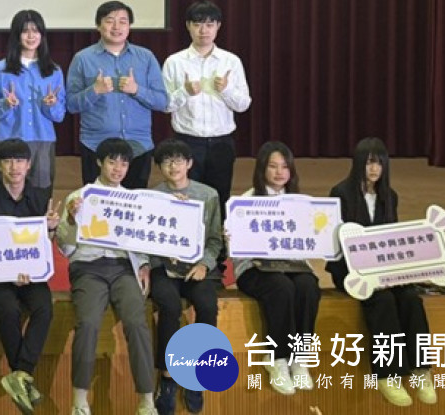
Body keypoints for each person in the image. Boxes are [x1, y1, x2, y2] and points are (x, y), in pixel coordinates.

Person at [327, 137, 438, 407]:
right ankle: (388, 375)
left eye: (379, 163)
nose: (374, 169)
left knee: (411, 298)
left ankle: (421, 370)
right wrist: (369, 272)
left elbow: (392, 238)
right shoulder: (340, 193)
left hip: (383, 269)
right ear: (358, 164)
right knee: (383, 300)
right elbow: (337, 243)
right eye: (368, 163)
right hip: (351, 271)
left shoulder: (390, 196)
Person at [56, 138, 156, 415]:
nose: (118, 168)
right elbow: (65, 248)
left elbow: (142, 239)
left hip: (123, 268)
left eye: (124, 163)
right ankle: (79, 400)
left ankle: (147, 401)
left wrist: (143, 265)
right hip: (88, 268)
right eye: (112, 162)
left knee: (137, 323)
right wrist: (72, 220)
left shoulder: (134, 200)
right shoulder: (79, 197)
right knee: (88, 323)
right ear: (100, 162)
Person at [0, 138, 60, 415]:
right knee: (9, 309)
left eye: (20, 161)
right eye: (8, 161)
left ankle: (20, 374)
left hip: (31, 275)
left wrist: (50, 229)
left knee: (44, 307)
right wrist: (8, 273)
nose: (14, 167)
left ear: (29, 165)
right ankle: (22, 375)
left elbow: (44, 246)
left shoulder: (40, 199)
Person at [231, 142, 320, 397]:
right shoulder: (246, 202)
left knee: (308, 286)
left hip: (292, 265)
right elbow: (237, 249)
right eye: (273, 166)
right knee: (281, 288)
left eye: (285, 166)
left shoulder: (301, 203)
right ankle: (277, 358)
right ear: (262, 169)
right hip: (255, 268)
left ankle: (300, 357)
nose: (280, 172)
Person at [146, 139, 223, 415]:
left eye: (179, 160)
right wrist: (161, 256)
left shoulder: (208, 195)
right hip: (164, 268)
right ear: (159, 167)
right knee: (168, 306)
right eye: (166, 161)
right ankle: (167, 377)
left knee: (207, 305)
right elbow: (145, 239)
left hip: (196, 268)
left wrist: (204, 264)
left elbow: (214, 241)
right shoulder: (152, 197)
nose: (173, 166)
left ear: (189, 163)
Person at [66, 0, 168, 189]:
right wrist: (94, 91)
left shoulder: (145, 57)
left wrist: (137, 90)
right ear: (98, 25)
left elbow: (162, 102)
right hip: (96, 147)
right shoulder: (82, 59)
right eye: (109, 20)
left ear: (130, 26)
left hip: (138, 147)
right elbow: (71, 105)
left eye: (123, 21)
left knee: (134, 204)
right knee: (96, 204)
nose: (116, 27)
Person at [161, 0, 251, 212]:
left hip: (221, 142)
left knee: (219, 197)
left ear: (218, 26)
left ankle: (216, 234)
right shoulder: (174, 62)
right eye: (198, 24)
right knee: (185, 199)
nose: (203, 30)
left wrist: (226, 90)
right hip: (187, 141)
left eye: (210, 24)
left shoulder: (231, 61)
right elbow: (165, 106)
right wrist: (185, 92)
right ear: (188, 26)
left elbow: (243, 105)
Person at [0, 9, 66, 189]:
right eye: (25, 31)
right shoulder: (0, 70)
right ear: (16, 35)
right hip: (8, 140)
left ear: (42, 35)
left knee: (41, 194)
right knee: (7, 194)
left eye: (35, 31)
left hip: (42, 140)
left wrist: (51, 105)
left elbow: (59, 115)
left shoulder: (53, 71)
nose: (31, 36)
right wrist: (5, 104)